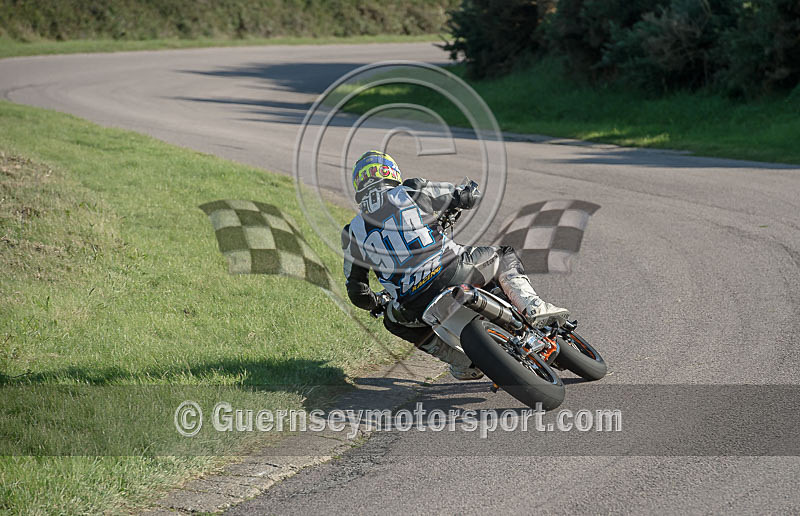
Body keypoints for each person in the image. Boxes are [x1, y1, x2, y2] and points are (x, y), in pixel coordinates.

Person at [341, 150, 569, 380]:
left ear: (359, 185)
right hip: (453, 271)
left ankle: (462, 362)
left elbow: (357, 292)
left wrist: (377, 301)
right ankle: (533, 306)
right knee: (503, 255)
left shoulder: (352, 232)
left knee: (392, 322)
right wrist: (467, 193)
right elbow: (463, 196)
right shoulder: (410, 190)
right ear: (391, 172)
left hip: (413, 303)